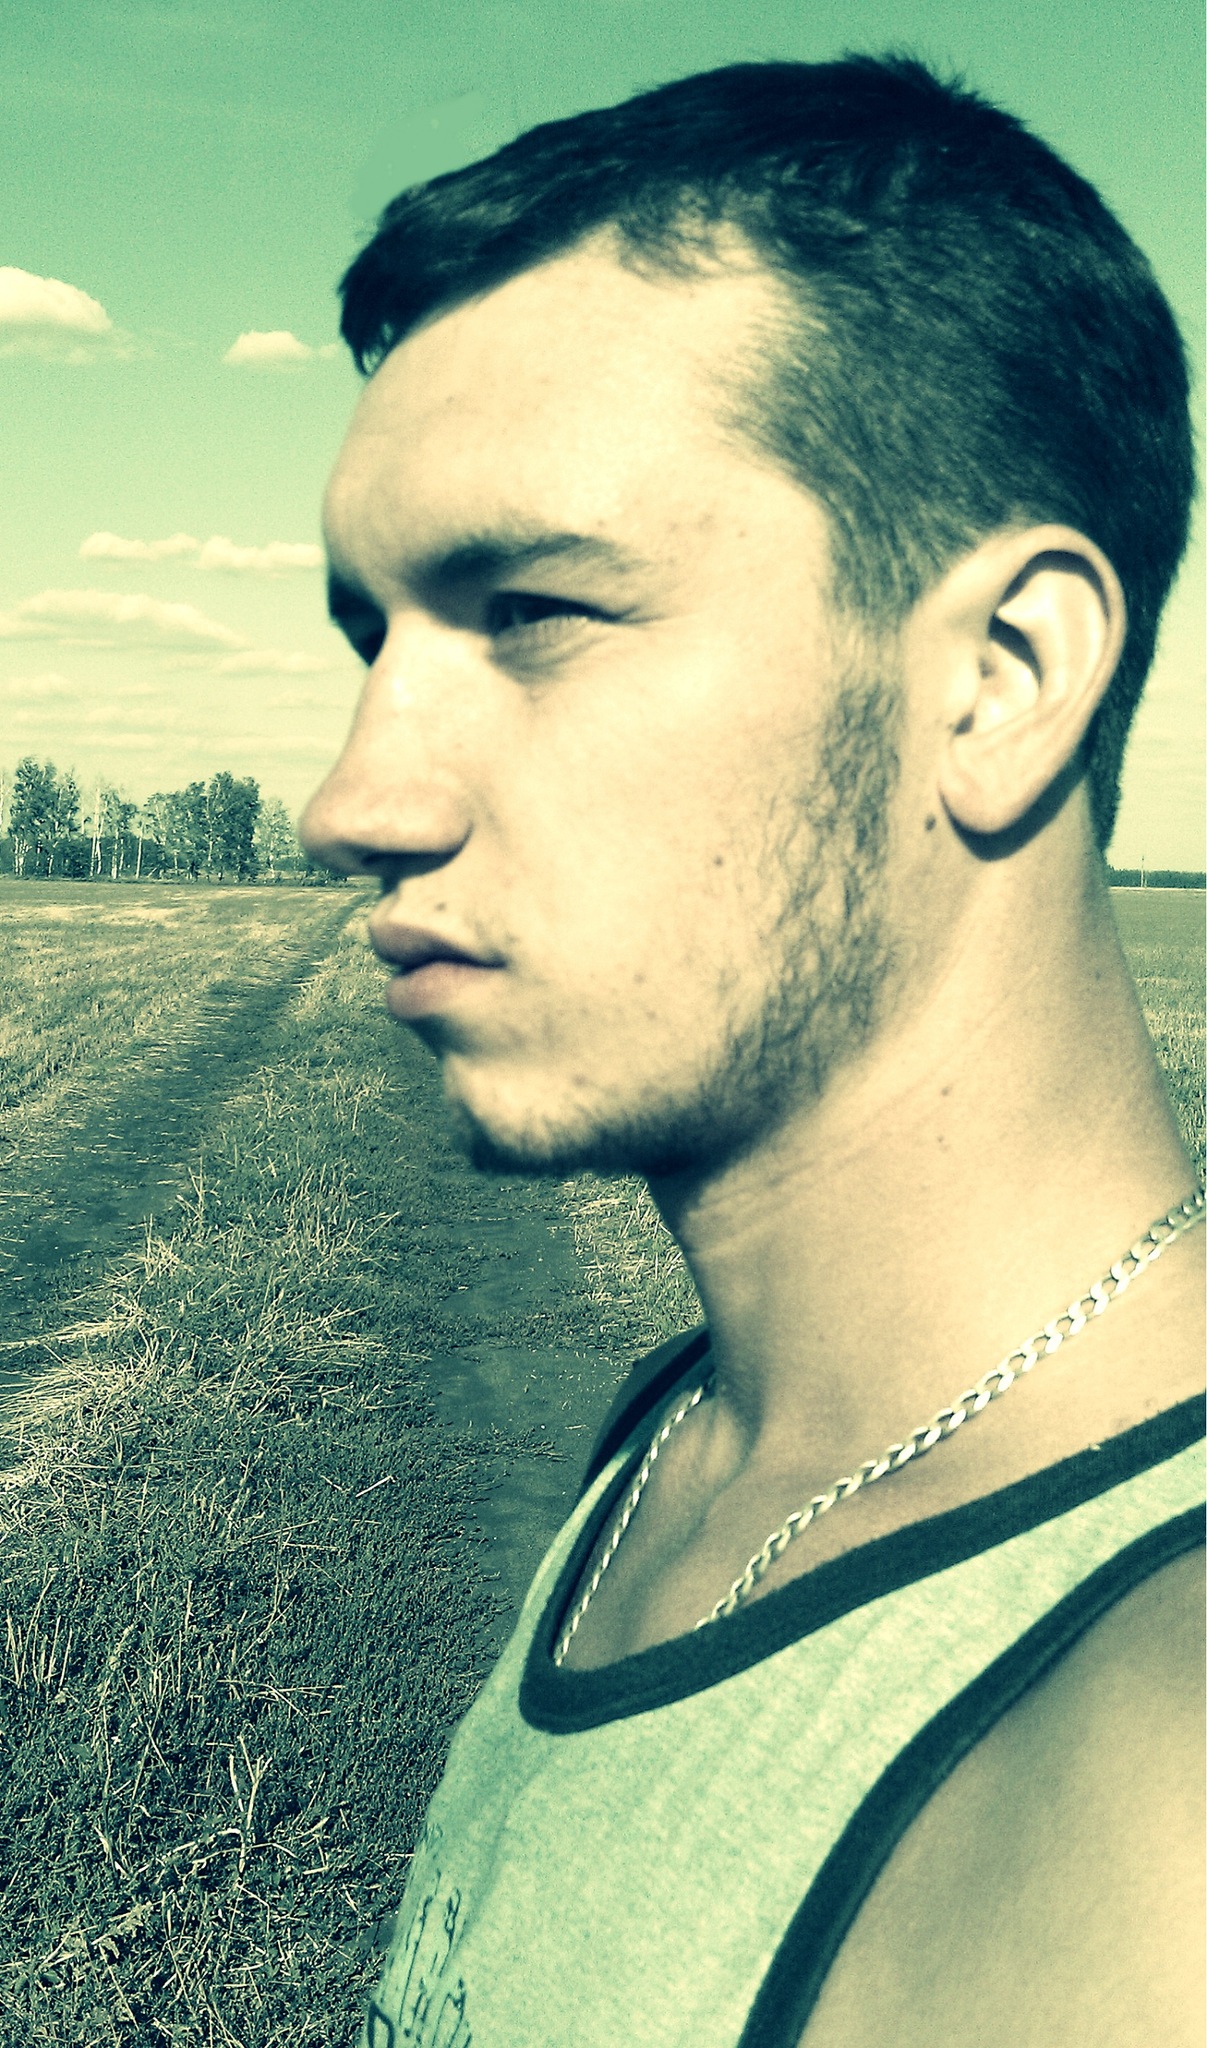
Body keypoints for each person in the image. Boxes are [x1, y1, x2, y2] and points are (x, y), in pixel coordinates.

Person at [300, 55, 1204, 2048]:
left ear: (1003, 677)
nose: (352, 799)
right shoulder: (687, 1438)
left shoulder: (1163, 1786)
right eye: (375, 637)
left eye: (532, 609)